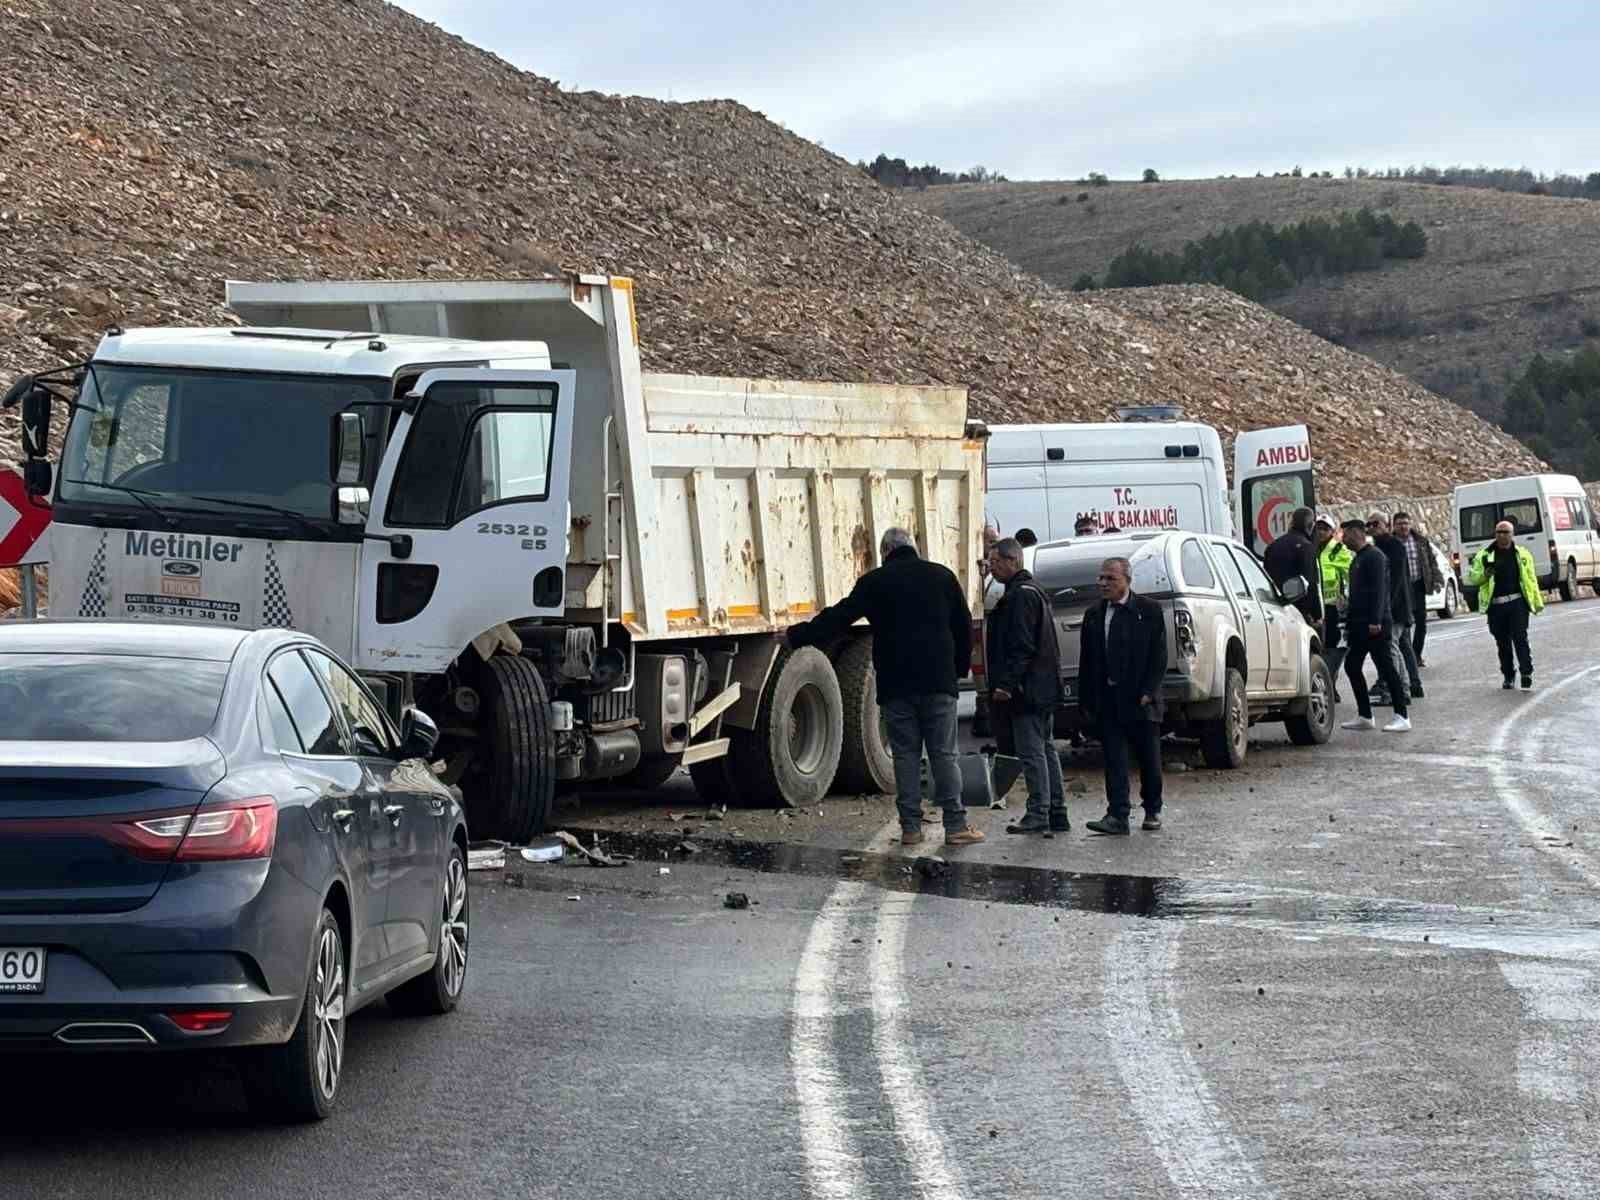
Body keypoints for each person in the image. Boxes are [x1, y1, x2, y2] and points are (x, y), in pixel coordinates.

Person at [787, 527, 985, 847]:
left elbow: (839, 618)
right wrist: (957, 670)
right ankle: (956, 826)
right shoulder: (942, 576)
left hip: (896, 686)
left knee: (905, 756)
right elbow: (963, 628)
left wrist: (797, 636)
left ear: (886, 552)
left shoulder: (875, 582)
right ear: (913, 548)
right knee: (944, 755)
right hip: (938, 683)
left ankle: (910, 828)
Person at [1078, 556, 1167, 835]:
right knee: (1114, 759)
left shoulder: (1148, 611)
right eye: (1101, 578)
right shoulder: (1094, 615)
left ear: (1126, 580)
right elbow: (1087, 661)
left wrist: (1148, 692)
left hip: (1140, 699)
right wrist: (1087, 700)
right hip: (1109, 699)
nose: (1103, 583)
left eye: (1110, 578)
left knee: (1148, 757)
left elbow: (1159, 656)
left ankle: (1152, 809)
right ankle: (1117, 815)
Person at [985, 537, 1068, 834]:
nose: (991, 567)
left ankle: (1038, 812)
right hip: (1043, 687)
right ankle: (1057, 811)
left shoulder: (1020, 596)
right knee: (1046, 749)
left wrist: (1007, 685)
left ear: (1013, 561)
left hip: (1027, 689)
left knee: (1032, 752)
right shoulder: (1036, 592)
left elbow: (1021, 646)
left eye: (995, 562)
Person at [1338, 520, 1411, 733]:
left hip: (1374, 625)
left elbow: (1380, 591)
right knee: (1352, 666)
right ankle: (1365, 715)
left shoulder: (1375, 557)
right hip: (1359, 624)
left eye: (1345, 534)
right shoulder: (1358, 559)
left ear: (1356, 533)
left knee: (1386, 667)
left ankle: (1402, 715)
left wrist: (1376, 620)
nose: (1343, 539)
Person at [1464, 519, 1544, 689]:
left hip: (1517, 603)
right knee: (1502, 643)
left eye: (1505, 532)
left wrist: (1536, 602)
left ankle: (1526, 672)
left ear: (1512, 534)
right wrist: (1485, 574)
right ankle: (1508, 675)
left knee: (1520, 638)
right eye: (1498, 532)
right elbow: (1473, 578)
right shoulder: (1484, 555)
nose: (1501, 535)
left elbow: (1530, 579)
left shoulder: (1522, 554)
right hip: (1496, 606)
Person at [1366, 513, 1423, 702]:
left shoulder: (1393, 546)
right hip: (1395, 606)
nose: (1372, 527)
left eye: (1376, 523)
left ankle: (1401, 691)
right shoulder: (1379, 546)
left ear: (1386, 525)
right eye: (1369, 524)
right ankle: (1410, 686)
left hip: (1396, 607)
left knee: (1392, 646)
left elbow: (1396, 580)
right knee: (1403, 646)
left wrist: (1385, 607)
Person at [1391, 511, 1442, 668]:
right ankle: (1408, 656)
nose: (1404, 526)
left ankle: (1416, 654)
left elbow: (1431, 561)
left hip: (1418, 585)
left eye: (1406, 523)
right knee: (1405, 623)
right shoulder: (1391, 543)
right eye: (1400, 524)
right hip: (1400, 589)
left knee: (1421, 622)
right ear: (1394, 526)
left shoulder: (1420, 541)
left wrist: (1437, 580)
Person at [1263, 506, 1324, 627]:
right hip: (1300, 611)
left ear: (1291, 523)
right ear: (1311, 526)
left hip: (1273, 606)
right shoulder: (1307, 547)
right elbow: (1310, 582)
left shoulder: (1273, 546)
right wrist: (1316, 615)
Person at [1314, 513, 1352, 698]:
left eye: (1325, 528)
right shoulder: (1310, 548)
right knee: (1318, 649)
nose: (1321, 532)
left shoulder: (1338, 550)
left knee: (1332, 649)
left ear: (1332, 531)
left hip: (1332, 609)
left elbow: (1350, 575)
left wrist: (1347, 600)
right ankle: (1323, 685)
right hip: (1315, 607)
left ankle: (1331, 686)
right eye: (1318, 528)